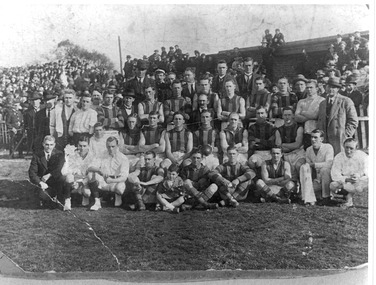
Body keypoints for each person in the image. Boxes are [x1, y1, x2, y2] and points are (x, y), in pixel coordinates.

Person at [317, 77, 358, 156]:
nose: (331, 89)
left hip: (339, 139)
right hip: (325, 139)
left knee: (340, 160)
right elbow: (320, 121)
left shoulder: (346, 101)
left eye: (334, 87)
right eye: (329, 86)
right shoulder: (322, 103)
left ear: (338, 89)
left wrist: (345, 135)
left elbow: (353, 121)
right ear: (326, 87)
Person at [87, 136, 129, 211]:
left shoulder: (123, 158)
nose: (111, 149)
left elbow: (124, 177)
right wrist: (99, 170)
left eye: (113, 146)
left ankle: (116, 195)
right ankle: (97, 201)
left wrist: (111, 181)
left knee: (120, 189)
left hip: (116, 182)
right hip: (103, 181)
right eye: (108, 146)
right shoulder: (102, 154)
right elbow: (90, 167)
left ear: (117, 146)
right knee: (91, 174)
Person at [330, 138, 368, 208]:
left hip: (359, 180)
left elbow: (368, 171)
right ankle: (348, 195)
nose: (348, 151)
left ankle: (349, 197)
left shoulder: (363, 156)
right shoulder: (339, 157)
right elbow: (334, 174)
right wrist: (347, 179)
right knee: (333, 185)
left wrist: (358, 175)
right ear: (343, 146)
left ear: (356, 148)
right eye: (346, 148)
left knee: (367, 180)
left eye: (351, 148)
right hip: (345, 181)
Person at [28, 135, 65, 207]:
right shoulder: (37, 155)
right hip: (43, 184)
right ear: (43, 144)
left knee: (62, 178)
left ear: (54, 145)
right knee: (43, 196)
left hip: (56, 182)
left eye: (51, 145)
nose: (49, 147)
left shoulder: (59, 154)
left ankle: (59, 197)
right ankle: (49, 199)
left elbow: (59, 169)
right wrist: (40, 182)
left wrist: (49, 174)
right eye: (47, 144)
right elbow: (32, 172)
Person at [299, 129, 334, 206]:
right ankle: (315, 196)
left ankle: (326, 197)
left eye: (315, 137)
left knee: (325, 170)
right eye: (311, 137)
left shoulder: (328, 147)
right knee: (306, 194)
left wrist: (314, 165)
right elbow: (308, 167)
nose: (312, 139)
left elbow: (329, 163)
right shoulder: (308, 150)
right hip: (316, 179)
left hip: (328, 179)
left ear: (321, 139)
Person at [61, 136, 95, 210]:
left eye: (84, 146)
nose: (82, 148)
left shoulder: (92, 156)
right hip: (74, 181)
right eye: (80, 146)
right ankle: (67, 200)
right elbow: (64, 171)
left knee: (87, 193)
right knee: (68, 177)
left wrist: (81, 183)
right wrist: (73, 178)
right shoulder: (73, 155)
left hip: (85, 182)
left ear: (88, 146)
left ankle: (84, 195)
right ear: (77, 145)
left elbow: (91, 175)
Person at [275, 107, 306, 179]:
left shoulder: (299, 128)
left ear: (293, 116)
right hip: (285, 155)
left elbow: (297, 144)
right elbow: (279, 146)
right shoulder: (278, 130)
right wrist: (289, 146)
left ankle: (302, 187)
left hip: (298, 153)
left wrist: (284, 144)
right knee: (287, 174)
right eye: (285, 115)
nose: (287, 117)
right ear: (282, 116)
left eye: (289, 115)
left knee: (300, 166)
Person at [294, 79, 325, 150]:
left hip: (318, 132)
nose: (309, 89)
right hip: (306, 132)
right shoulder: (301, 101)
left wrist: (303, 112)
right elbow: (296, 117)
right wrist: (310, 116)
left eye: (311, 87)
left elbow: (317, 115)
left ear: (317, 88)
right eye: (307, 87)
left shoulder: (322, 100)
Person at [247, 106, 276, 170]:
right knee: (252, 161)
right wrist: (265, 142)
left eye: (262, 113)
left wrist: (259, 141)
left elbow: (271, 143)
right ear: (256, 115)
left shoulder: (272, 127)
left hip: (269, 152)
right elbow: (252, 144)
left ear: (266, 114)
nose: (260, 115)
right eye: (258, 113)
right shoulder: (252, 127)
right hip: (257, 153)